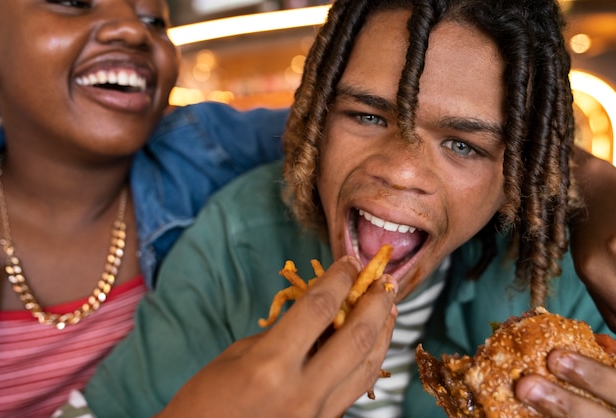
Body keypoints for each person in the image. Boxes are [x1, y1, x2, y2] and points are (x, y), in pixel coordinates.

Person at [77, 0, 616, 417]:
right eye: (367, 116)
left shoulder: (563, 285)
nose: (400, 171)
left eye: (463, 145)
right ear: (317, 117)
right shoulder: (238, 234)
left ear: (515, 173)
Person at [0, 0, 397, 416]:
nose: (133, 32)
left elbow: (353, 127)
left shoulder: (210, 149)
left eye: (152, 21)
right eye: (74, 3)